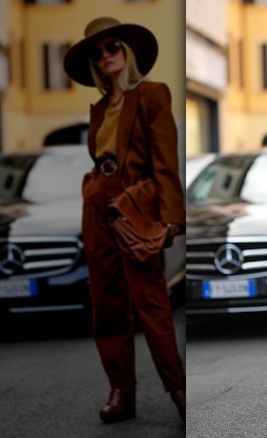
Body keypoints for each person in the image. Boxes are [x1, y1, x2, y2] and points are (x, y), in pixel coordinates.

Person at [63, 16, 185, 423]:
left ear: (126, 52)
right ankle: (121, 391)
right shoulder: (99, 108)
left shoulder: (152, 95)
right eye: (97, 54)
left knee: (150, 301)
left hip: (134, 207)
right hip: (97, 206)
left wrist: (170, 219)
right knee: (106, 304)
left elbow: (165, 162)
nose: (104, 57)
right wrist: (91, 195)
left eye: (111, 47)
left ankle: (178, 387)